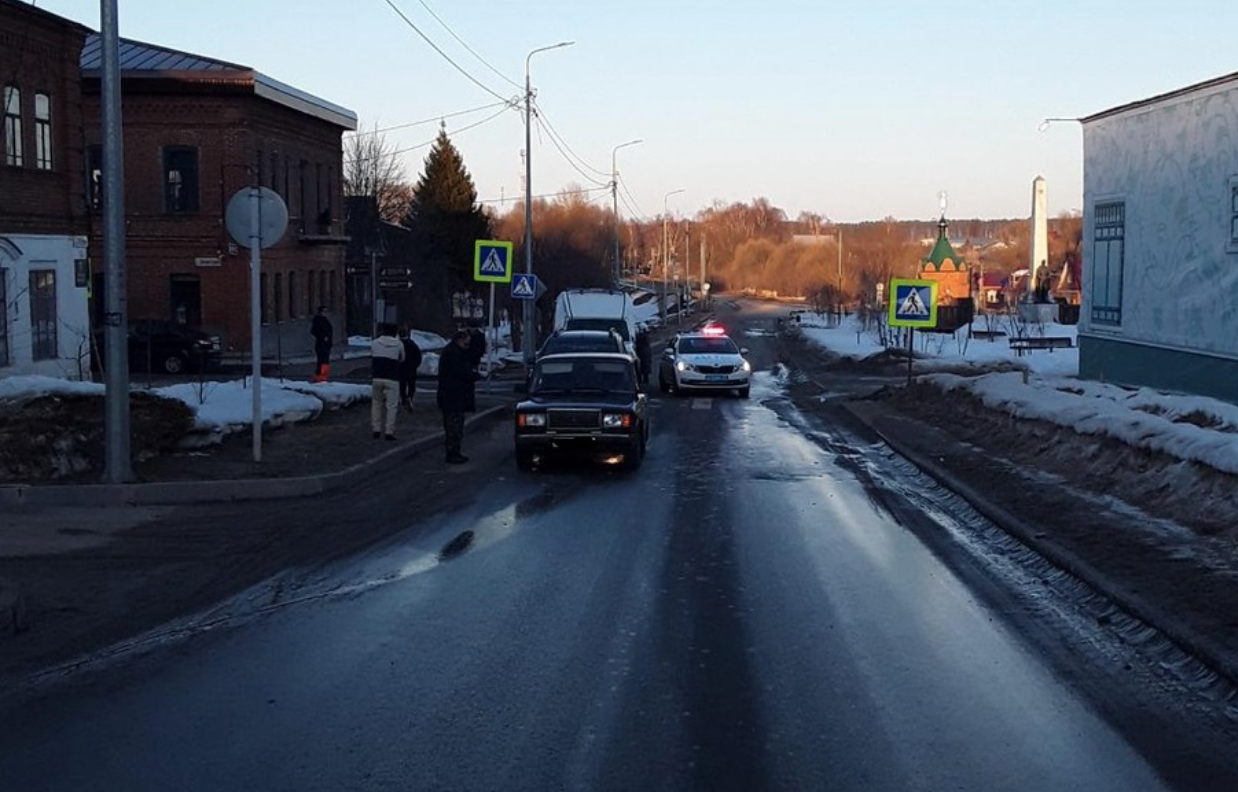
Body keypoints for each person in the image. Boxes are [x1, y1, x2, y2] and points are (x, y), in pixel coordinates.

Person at [437, 329, 479, 464]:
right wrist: (473, 376)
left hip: (452, 395)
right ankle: (452, 452)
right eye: (466, 343)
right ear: (459, 340)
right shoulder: (454, 354)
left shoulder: (452, 352)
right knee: (454, 426)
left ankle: (454, 451)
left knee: (454, 425)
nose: (468, 346)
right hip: (453, 396)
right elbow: (461, 373)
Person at [370, 323, 404, 441]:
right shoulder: (399, 344)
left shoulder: (375, 343)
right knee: (391, 406)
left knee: (376, 404)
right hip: (392, 378)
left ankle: (376, 430)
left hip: (377, 377)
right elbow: (402, 358)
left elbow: (372, 355)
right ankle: (389, 431)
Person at [398, 324, 423, 413]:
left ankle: (404, 400)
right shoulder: (412, 344)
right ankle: (410, 397)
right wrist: (415, 365)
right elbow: (418, 356)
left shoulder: (397, 345)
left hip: (401, 369)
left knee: (402, 386)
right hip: (411, 369)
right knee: (411, 385)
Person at [310, 306, 334, 382]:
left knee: (325, 361)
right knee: (322, 361)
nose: (327, 313)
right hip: (321, 344)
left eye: (327, 311)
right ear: (320, 312)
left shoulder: (325, 320)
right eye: (324, 311)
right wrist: (323, 337)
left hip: (326, 344)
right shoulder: (318, 320)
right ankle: (319, 377)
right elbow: (314, 331)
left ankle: (322, 377)